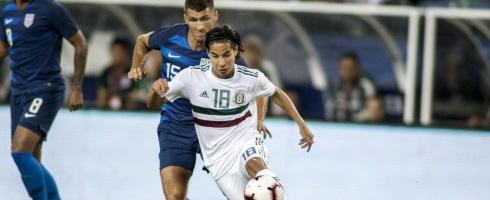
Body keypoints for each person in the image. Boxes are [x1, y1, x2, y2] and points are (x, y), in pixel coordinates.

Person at [147, 25, 315, 200]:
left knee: (258, 171)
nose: (221, 63)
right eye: (215, 56)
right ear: (208, 54)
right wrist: (155, 90)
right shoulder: (191, 77)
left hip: (245, 139)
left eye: (226, 55)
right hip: (218, 158)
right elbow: (152, 103)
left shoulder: (250, 77)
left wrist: (301, 125)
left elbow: (275, 93)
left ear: (236, 51)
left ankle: (270, 184)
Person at [127, 0, 269, 199]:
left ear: (215, 15)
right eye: (193, 20)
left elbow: (259, 87)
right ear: (186, 18)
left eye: (205, 18)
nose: (200, 26)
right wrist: (136, 66)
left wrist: (258, 121)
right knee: (175, 195)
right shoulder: (171, 36)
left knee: (241, 193)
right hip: (175, 125)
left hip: (216, 130)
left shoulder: (224, 49)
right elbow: (142, 41)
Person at [0, 0, 88, 199]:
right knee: (30, 158)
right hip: (18, 92)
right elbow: (4, 48)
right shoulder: (7, 12)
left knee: (19, 150)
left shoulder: (51, 9)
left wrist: (77, 87)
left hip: (45, 88)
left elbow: (80, 44)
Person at [327, 52, 383, 123]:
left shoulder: (365, 83)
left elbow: (374, 107)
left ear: (357, 68)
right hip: (337, 126)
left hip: (360, 126)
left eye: (349, 68)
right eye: (343, 67)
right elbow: (329, 108)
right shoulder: (334, 84)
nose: (346, 71)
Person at [96, 37, 133, 110]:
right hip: (107, 111)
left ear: (126, 53)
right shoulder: (106, 72)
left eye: (119, 52)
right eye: (114, 51)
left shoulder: (133, 73)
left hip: (127, 113)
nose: (116, 55)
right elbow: (101, 97)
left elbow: (134, 97)